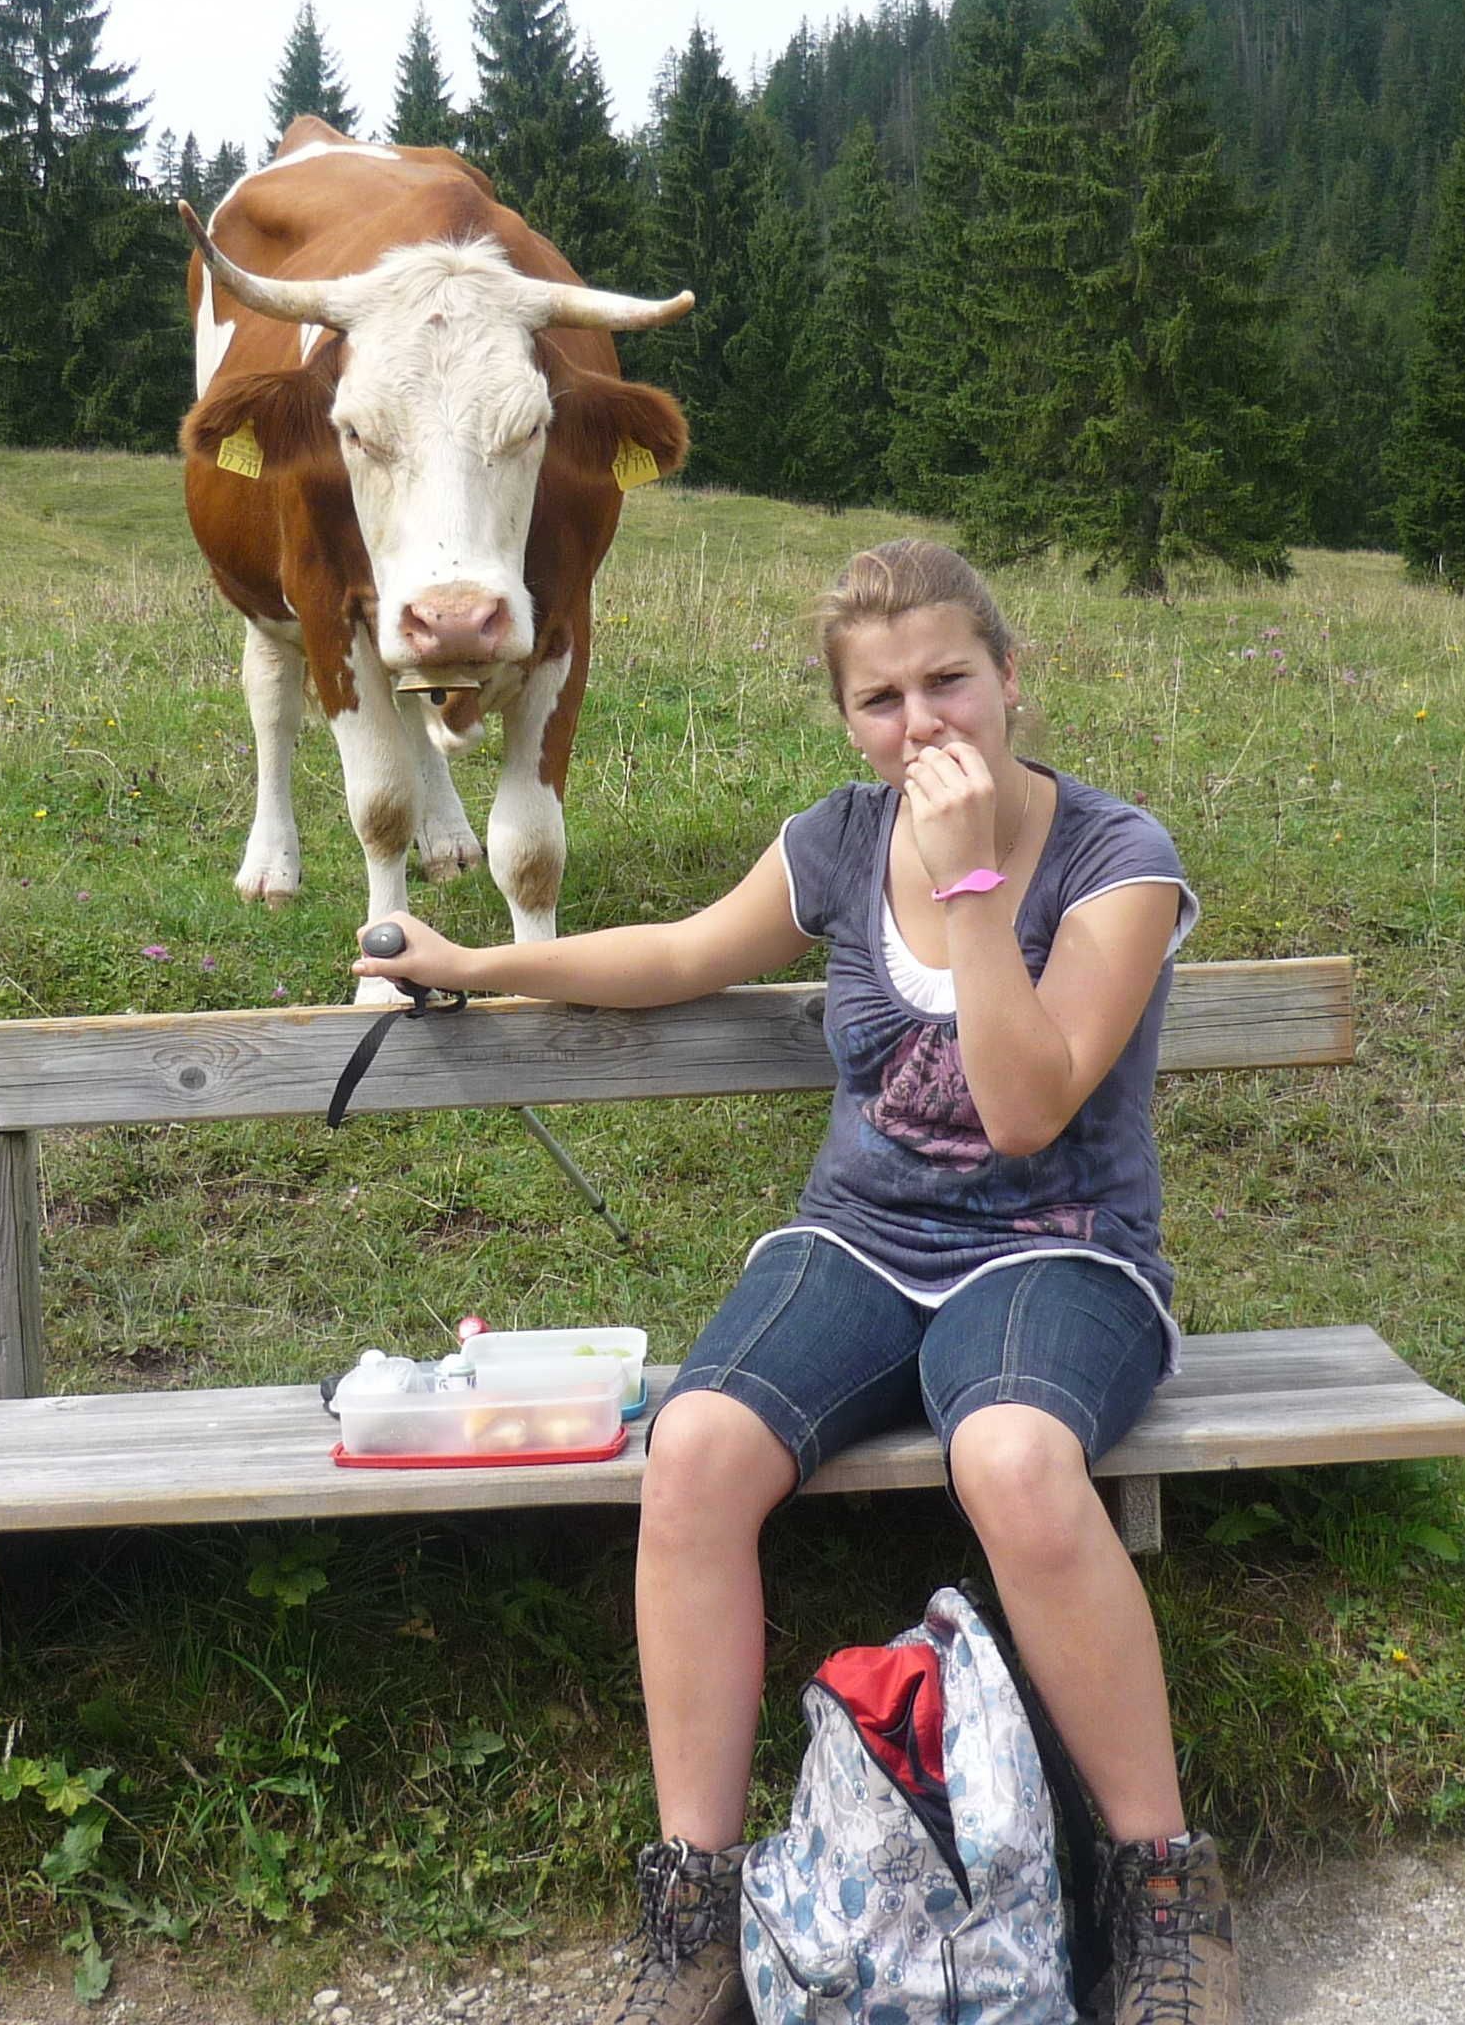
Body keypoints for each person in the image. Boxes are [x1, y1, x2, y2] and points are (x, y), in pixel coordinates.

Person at [354, 541, 1237, 2025]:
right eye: (882, 700)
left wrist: (968, 882)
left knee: (1013, 1459)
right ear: (848, 721)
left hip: (1060, 1247)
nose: (923, 723)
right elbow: (681, 953)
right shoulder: (834, 841)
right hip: (860, 1240)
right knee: (695, 1449)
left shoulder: (1116, 857)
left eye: (950, 681)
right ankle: (696, 1907)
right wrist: (476, 963)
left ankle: (1165, 1892)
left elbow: (1028, 1111)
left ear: (1012, 680)